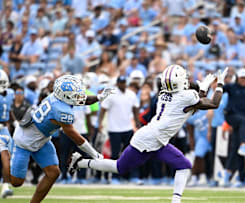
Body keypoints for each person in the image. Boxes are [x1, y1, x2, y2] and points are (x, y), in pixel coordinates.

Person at [70, 65, 228, 203]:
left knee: (184, 165)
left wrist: (202, 89)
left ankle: (176, 200)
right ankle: (81, 162)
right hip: (148, 141)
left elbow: (193, 103)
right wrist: (219, 84)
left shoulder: (164, 94)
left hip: (156, 140)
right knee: (119, 167)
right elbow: (212, 103)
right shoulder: (186, 97)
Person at [0, 75, 114, 203]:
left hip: (41, 139)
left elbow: (83, 100)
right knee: (16, 182)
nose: (78, 95)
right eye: (74, 93)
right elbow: (75, 136)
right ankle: (4, 150)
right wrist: (94, 154)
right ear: (65, 95)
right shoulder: (61, 110)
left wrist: (99, 97)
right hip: (24, 141)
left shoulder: (58, 98)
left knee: (53, 173)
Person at [0, 70, 15, 198]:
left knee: (8, 158)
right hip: (3, 129)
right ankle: (5, 186)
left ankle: (5, 186)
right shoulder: (10, 93)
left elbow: (9, 111)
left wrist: (14, 122)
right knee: (6, 157)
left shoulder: (10, 93)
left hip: (4, 129)